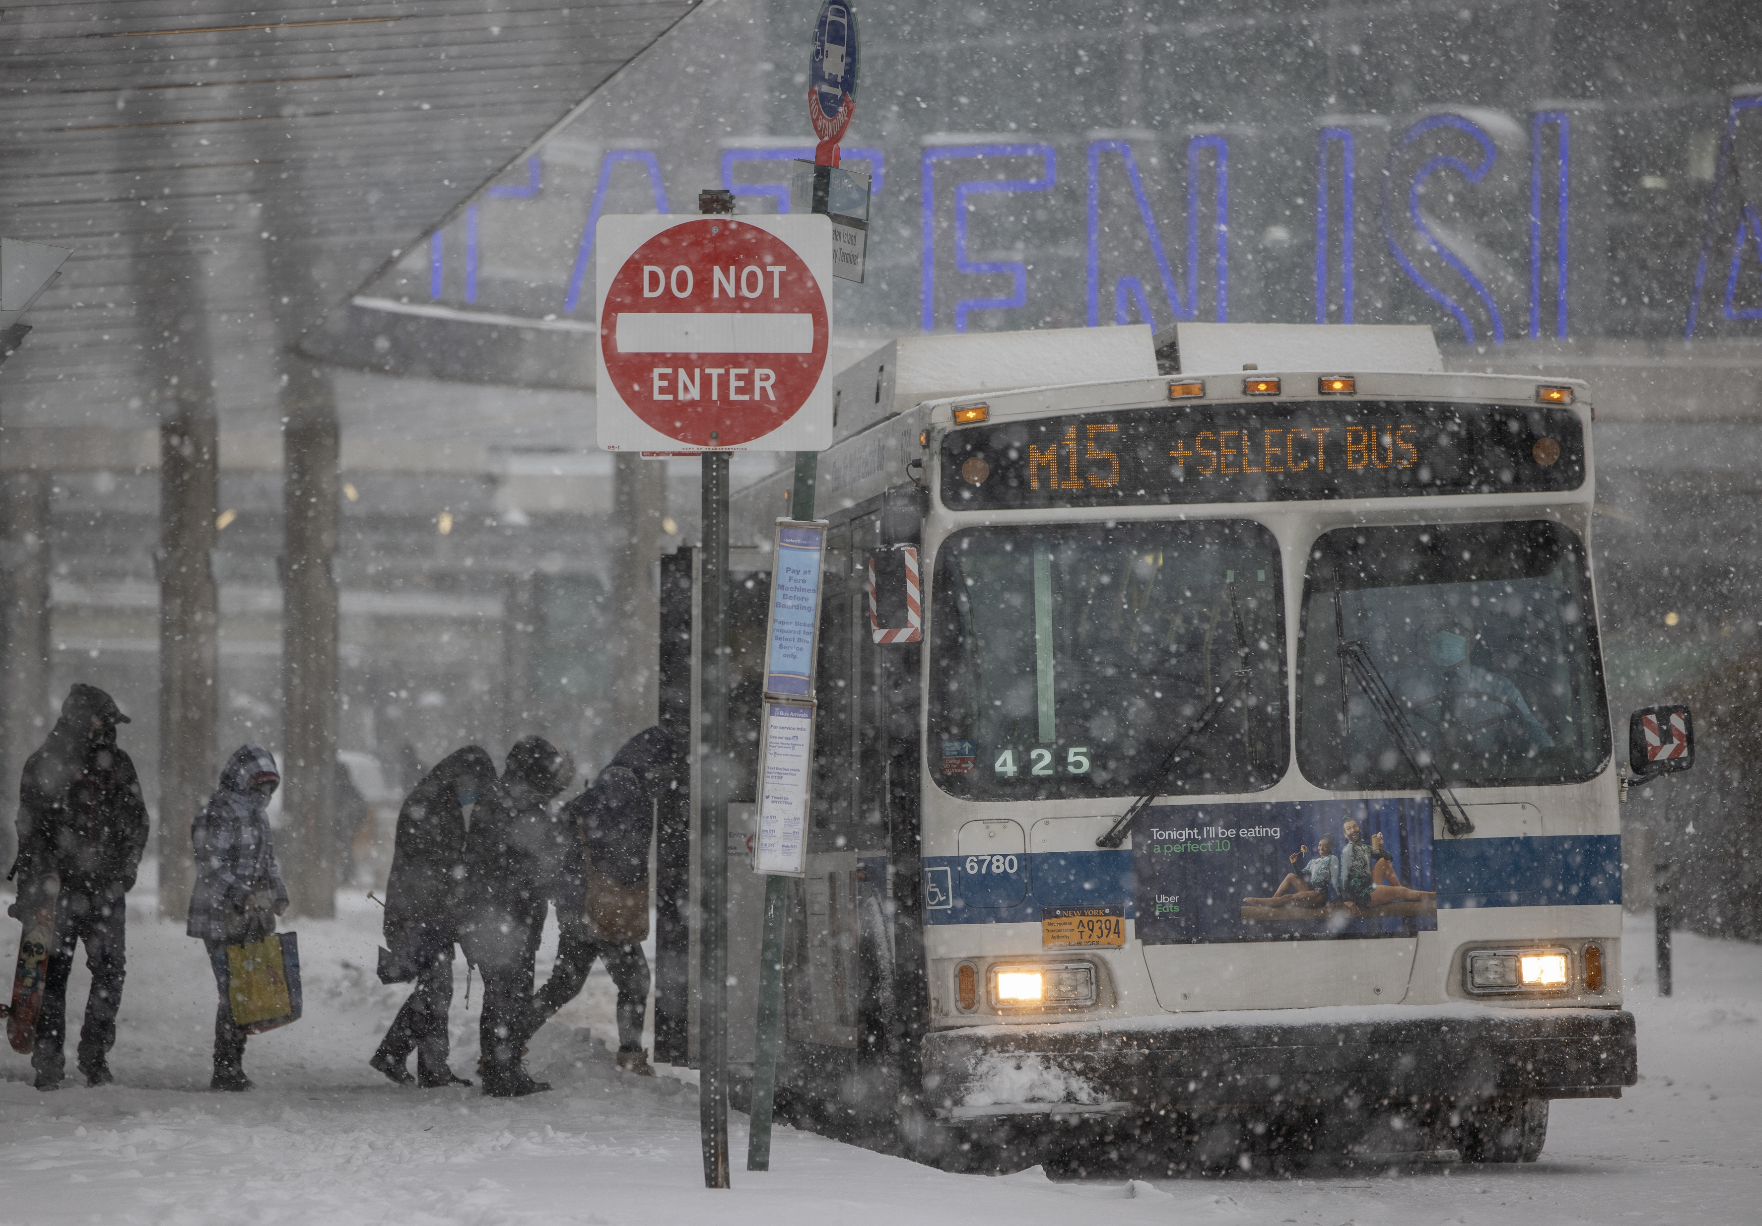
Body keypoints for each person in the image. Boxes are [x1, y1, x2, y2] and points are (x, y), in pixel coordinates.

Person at [11, 684, 149, 1091]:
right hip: (56, 895)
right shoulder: (44, 764)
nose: (110, 729)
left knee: (110, 973)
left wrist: (124, 870)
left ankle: (94, 1055)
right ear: (82, 721)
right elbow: (29, 831)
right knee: (51, 976)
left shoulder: (118, 766)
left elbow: (137, 822)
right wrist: (39, 883)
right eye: (105, 721)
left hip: (105, 892)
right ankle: (48, 1059)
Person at [526, 726, 673, 1076]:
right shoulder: (623, 784)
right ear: (654, 762)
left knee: (565, 983)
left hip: (581, 901)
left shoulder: (620, 779)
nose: (668, 777)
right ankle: (631, 1056)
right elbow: (605, 836)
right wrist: (626, 876)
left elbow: (577, 827)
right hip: (597, 903)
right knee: (635, 980)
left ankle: (505, 1042)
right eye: (667, 768)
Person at [370, 746, 497, 1088]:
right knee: (436, 990)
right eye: (476, 783)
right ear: (462, 775)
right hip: (417, 914)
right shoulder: (429, 804)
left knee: (436, 988)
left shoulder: (442, 801)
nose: (475, 793)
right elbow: (430, 868)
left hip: (428, 913)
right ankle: (397, 1055)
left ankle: (431, 1067)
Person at [457, 735, 574, 1098]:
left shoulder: (501, 796)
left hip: (495, 913)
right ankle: (502, 1071)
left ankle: (500, 1067)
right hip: (506, 916)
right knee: (508, 994)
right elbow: (531, 862)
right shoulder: (518, 803)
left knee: (502, 993)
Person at [186, 745, 289, 1092]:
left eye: (269, 785)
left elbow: (268, 860)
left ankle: (232, 1064)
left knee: (245, 990)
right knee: (234, 991)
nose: (264, 793)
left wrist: (277, 892)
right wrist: (240, 894)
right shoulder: (218, 813)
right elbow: (209, 866)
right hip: (219, 916)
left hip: (249, 916)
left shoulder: (258, 815)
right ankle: (226, 1067)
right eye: (257, 784)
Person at [1396, 619, 1553, 756]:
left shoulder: (1500, 688)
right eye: (1441, 629)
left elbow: (1535, 734)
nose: (1446, 636)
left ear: (1471, 641)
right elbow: (1389, 738)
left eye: (1456, 628)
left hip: (1487, 778)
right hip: (1418, 776)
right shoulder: (1408, 686)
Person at [1338, 817, 1434, 913]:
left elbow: (1388, 858)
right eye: (1349, 828)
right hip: (1361, 895)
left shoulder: (1365, 848)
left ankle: (1400, 892)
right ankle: (1433, 895)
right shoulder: (1348, 849)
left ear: (1360, 829)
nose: (1353, 830)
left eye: (1355, 827)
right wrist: (1346, 899)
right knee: (1403, 891)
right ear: (1345, 834)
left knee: (1383, 861)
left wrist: (1380, 848)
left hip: (1368, 886)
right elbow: (1344, 875)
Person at [1242, 836, 1336, 909]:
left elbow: (1336, 880)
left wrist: (1340, 899)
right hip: (1310, 891)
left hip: (1319, 895)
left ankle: (1260, 902)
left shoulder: (1331, 860)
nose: (1321, 848)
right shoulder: (1314, 861)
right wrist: (1294, 863)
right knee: (1291, 876)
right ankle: (1272, 901)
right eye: (1320, 845)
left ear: (1329, 848)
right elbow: (1301, 875)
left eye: (1325, 846)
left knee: (1289, 898)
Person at [333, 759, 369, 888]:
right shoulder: (350, 787)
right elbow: (362, 806)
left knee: (336, 849)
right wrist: (356, 823)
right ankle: (347, 875)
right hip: (346, 823)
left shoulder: (334, 788)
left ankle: (340, 874)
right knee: (346, 850)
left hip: (338, 823)